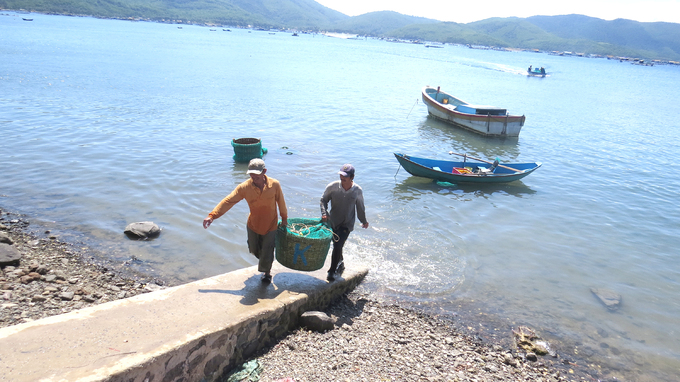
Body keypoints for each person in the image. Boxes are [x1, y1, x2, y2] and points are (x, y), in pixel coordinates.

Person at [203, 158, 287, 283]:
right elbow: (228, 201)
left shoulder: (274, 185)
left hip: (271, 225)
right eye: (251, 174)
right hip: (253, 225)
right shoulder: (244, 187)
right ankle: (264, 259)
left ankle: (266, 273)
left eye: (256, 175)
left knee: (267, 250)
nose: (253, 177)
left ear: (264, 171)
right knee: (254, 249)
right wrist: (212, 215)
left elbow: (281, 202)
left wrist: (284, 219)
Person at [320, 164, 369, 281]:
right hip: (333, 222)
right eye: (341, 175)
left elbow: (360, 207)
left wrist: (363, 221)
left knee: (337, 245)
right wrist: (324, 213)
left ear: (352, 177)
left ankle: (331, 271)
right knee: (338, 245)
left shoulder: (357, 190)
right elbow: (323, 200)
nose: (342, 178)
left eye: (345, 176)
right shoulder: (332, 187)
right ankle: (340, 262)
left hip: (347, 223)